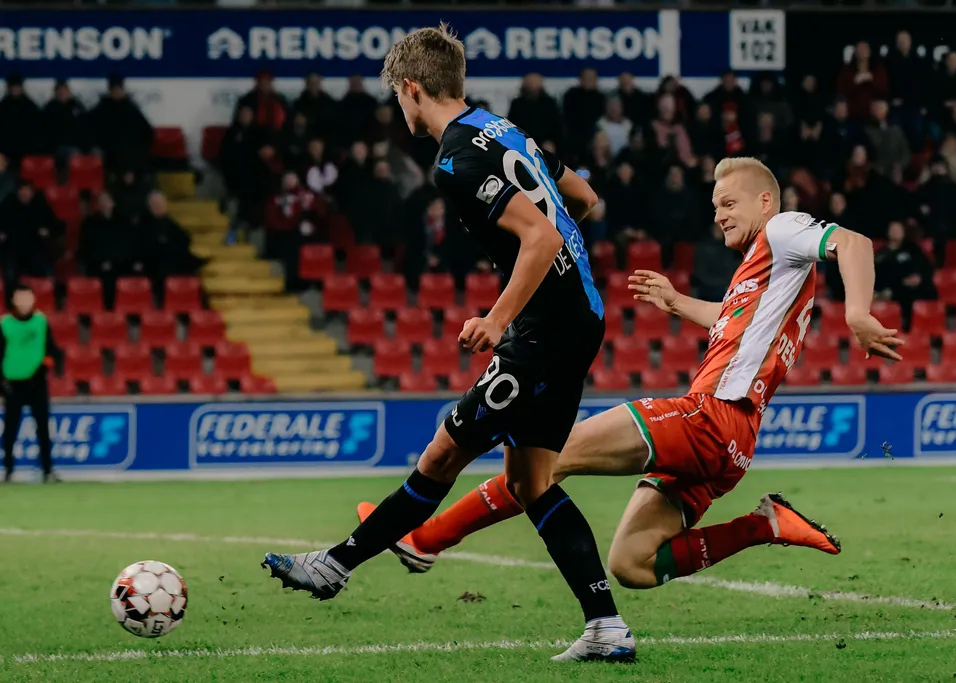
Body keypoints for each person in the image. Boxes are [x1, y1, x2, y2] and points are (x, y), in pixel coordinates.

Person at [361, 157, 904, 609]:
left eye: (729, 203)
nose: (718, 215)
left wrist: (858, 312)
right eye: (715, 205)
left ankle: (426, 538)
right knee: (633, 565)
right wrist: (675, 302)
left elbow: (853, 243)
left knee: (546, 458)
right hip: (733, 447)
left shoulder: (783, 229)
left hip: (710, 416)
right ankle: (763, 525)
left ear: (766, 202)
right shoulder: (765, 275)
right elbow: (732, 320)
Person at [262, 23, 635, 664]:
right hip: (582, 318)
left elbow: (540, 240)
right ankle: (605, 625)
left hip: (542, 332)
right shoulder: (504, 127)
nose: (400, 111)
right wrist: (558, 239)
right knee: (531, 482)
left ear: (412, 89)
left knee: (441, 455)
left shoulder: (455, 163)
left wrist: (495, 318)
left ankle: (336, 565)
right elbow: (584, 196)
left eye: (398, 98)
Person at [1, 284, 61, 483]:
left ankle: (47, 470)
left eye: (28, 298)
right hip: (13, 384)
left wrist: (44, 367)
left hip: (37, 383)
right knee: (10, 429)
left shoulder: (41, 321)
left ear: (34, 299)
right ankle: (9, 471)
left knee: (43, 428)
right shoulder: (5, 324)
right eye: (20, 298)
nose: (24, 302)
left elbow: (52, 350)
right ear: (13, 301)